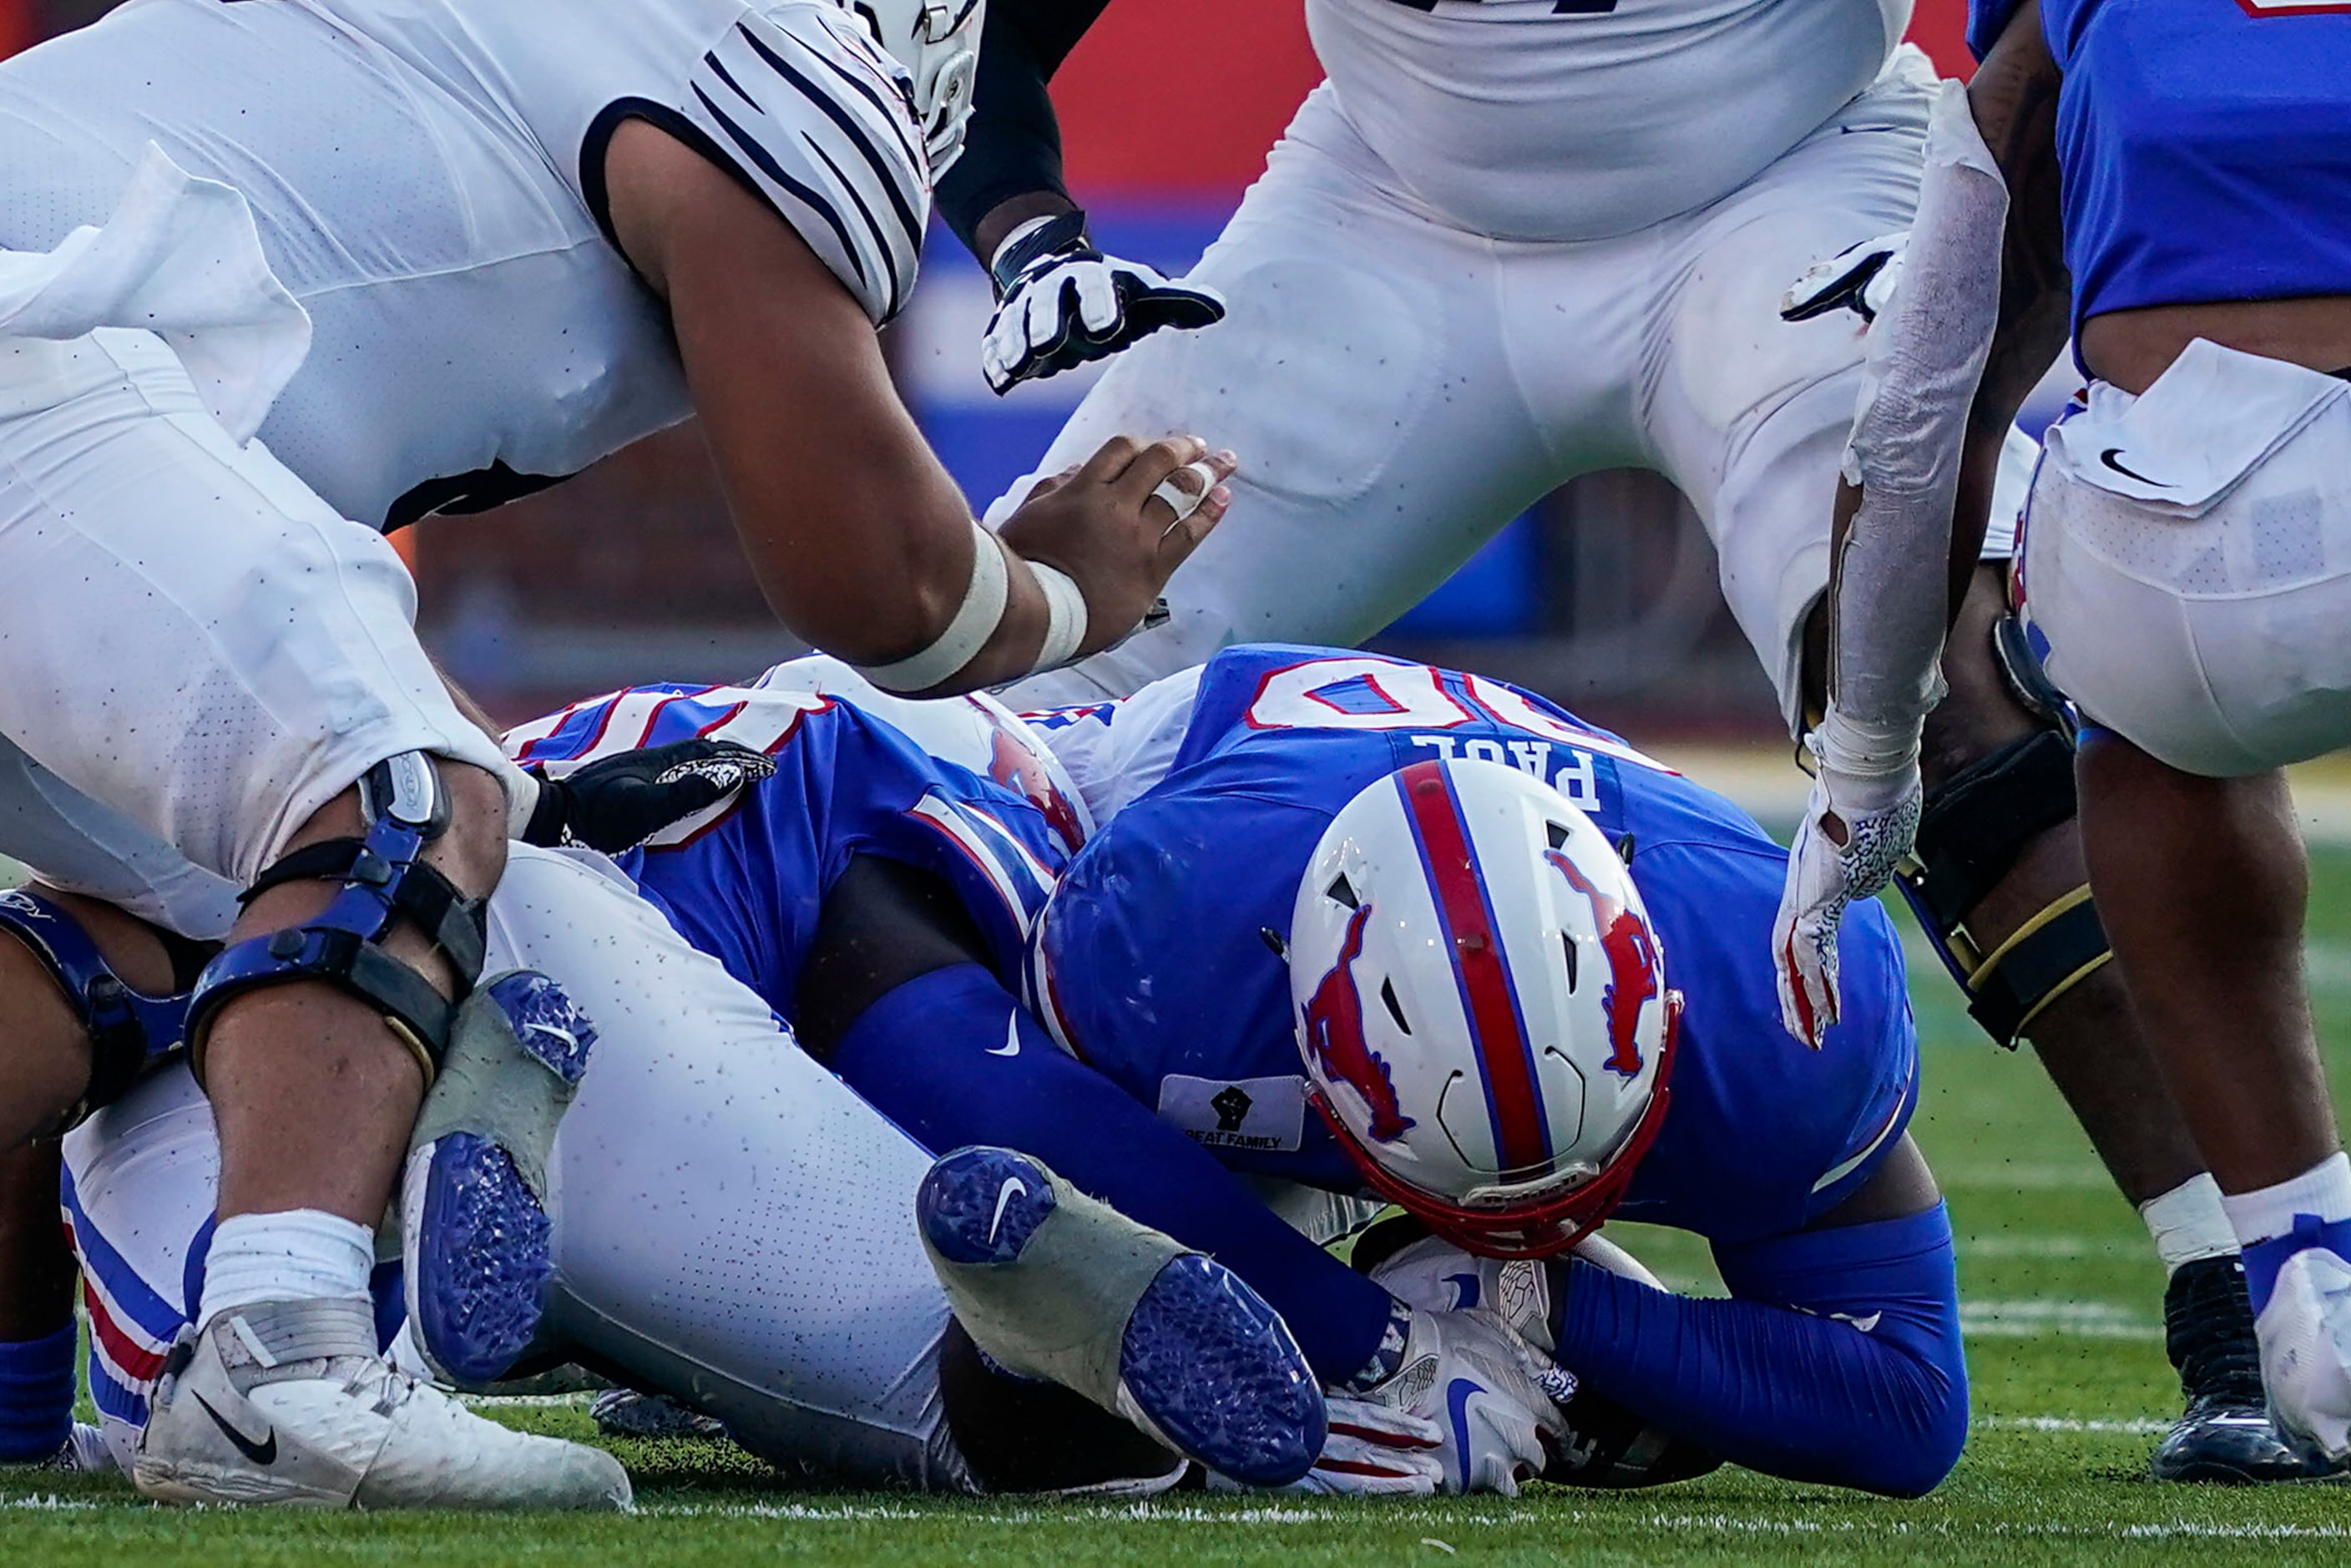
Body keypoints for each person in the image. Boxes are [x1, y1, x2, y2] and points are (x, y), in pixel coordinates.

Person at [925, 0, 2298, 1481]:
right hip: (1388, 209)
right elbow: (976, 29)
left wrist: (1994, 204)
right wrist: (1026, 232)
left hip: (1796, 184)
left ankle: (2250, 1287)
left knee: (1953, 691)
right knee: (1008, 687)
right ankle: (856, 1238)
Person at [0, 0, 1227, 1508]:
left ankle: (937, 1359)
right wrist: (1061, 586)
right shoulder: (772, 42)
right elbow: (882, 593)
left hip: (66, 378)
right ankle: (283, 1355)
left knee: (411, 890)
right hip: (40, 347)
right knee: (397, 797)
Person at [44, 669, 1458, 1495]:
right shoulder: (954, 799)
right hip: (592, 977)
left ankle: (446, 1262)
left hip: (360, 1023)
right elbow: (949, 1059)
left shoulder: (361, 728)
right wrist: (1366, 1337)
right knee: (942, 1377)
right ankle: (1034, 1369)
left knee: (196, 1370)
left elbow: (75, 965)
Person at [1777, 0, 2351, 1463]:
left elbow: (1920, 416)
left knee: (2144, 719)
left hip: (2193, 571)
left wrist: (1862, 769)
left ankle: (2306, 1270)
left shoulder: (2060, 35)